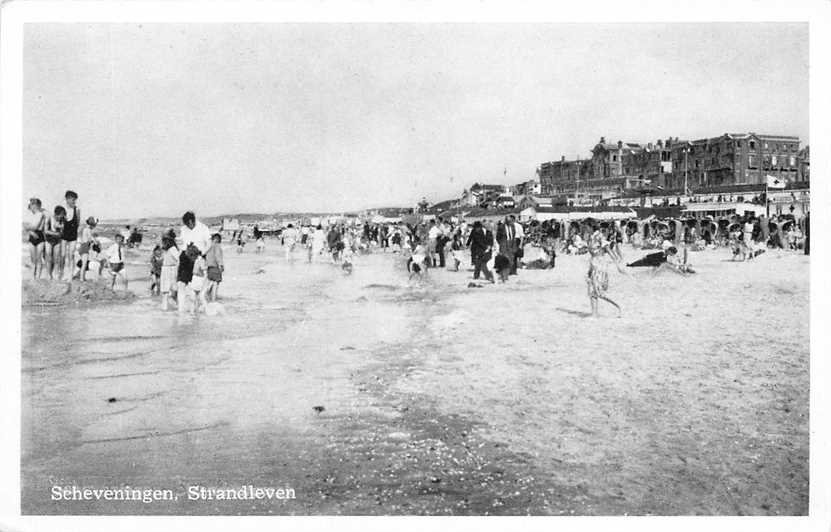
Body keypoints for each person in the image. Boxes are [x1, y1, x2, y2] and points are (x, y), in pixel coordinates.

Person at [586, 225, 626, 317]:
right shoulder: (590, 237)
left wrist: (617, 264)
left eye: (586, 226)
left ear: (591, 226)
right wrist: (589, 270)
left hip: (600, 265)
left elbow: (608, 249)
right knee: (592, 291)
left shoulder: (599, 236)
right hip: (594, 264)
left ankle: (619, 305)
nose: (585, 229)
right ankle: (594, 314)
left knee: (599, 291)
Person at [61, 190, 81, 281]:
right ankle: (62, 274)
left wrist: (76, 233)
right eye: (72, 199)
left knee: (71, 255)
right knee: (62, 255)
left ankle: (70, 275)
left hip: (73, 235)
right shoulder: (63, 210)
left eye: (74, 200)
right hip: (64, 235)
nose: (74, 201)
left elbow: (78, 223)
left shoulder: (77, 210)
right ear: (67, 199)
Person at [43, 206, 66, 280]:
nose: (61, 217)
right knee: (49, 257)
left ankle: (55, 274)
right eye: (60, 216)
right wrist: (55, 233)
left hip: (57, 241)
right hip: (48, 240)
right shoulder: (49, 218)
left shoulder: (62, 220)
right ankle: (48, 274)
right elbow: (45, 231)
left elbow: (63, 232)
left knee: (56, 259)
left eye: (62, 216)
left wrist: (61, 228)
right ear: (56, 214)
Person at [25, 198, 46, 279]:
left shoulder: (40, 214)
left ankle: (38, 277)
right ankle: (33, 276)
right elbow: (24, 226)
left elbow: (35, 226)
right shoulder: (30, 215)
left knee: (39, 257)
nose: (32, 206)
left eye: (33, 204)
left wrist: (29, 228)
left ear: (37, 205)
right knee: (33, 258)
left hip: (39, 235)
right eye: (31, 204)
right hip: (32, 235)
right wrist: (31, 231)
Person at [176, 243, 199, 314]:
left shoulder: (183, 255)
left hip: (182, 277)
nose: (196, 259)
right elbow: (194, 271)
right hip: (185, 278)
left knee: (182, 295)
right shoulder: (187, 260)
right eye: (195, 257)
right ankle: (187, 310)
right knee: (188, 295)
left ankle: (181, 309)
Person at [160, 236, 179, 311]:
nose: (162, 244)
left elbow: (178, 259)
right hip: (166, 269)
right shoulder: (167, 250)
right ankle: (166, 306)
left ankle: (170, 306)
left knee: (171, 288)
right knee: (166, 289)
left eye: (163, 242)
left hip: (171, 269)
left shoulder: (172, 249)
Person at [204, 233, 224, 302]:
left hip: (209, 267)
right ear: (218, 239)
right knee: (215, 283)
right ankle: (213, 300)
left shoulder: (208, 246)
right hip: (215, 266)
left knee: (210, 283)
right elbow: (218, 256)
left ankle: (207, 297)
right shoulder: (217, 246)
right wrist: (221, 265)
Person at [77, 217, 97, 281]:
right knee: (84, 264)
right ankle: (81, 278)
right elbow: (90, 238)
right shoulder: (87, 230)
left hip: (84, 247)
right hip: (85, 247)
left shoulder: (86, 229)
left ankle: (82, 277)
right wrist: (95, 242)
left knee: (84, 263)